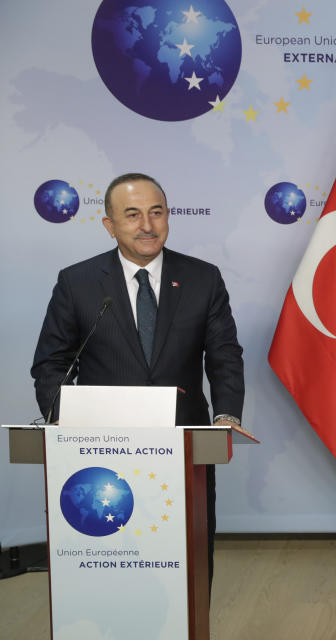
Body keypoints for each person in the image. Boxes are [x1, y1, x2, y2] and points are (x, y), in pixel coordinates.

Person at [31, 172, 244, 595]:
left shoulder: (203, 278)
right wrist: (62, 418)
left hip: (184, 447)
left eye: (156, 212)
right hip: (101, 450)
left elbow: (223, 355)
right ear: (109, 225)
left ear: (168, 217)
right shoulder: (77, 282)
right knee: (114, 567)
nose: (147, 225)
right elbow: (52, 363)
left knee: (191, 557)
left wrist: (226, 413)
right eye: (132, 215)